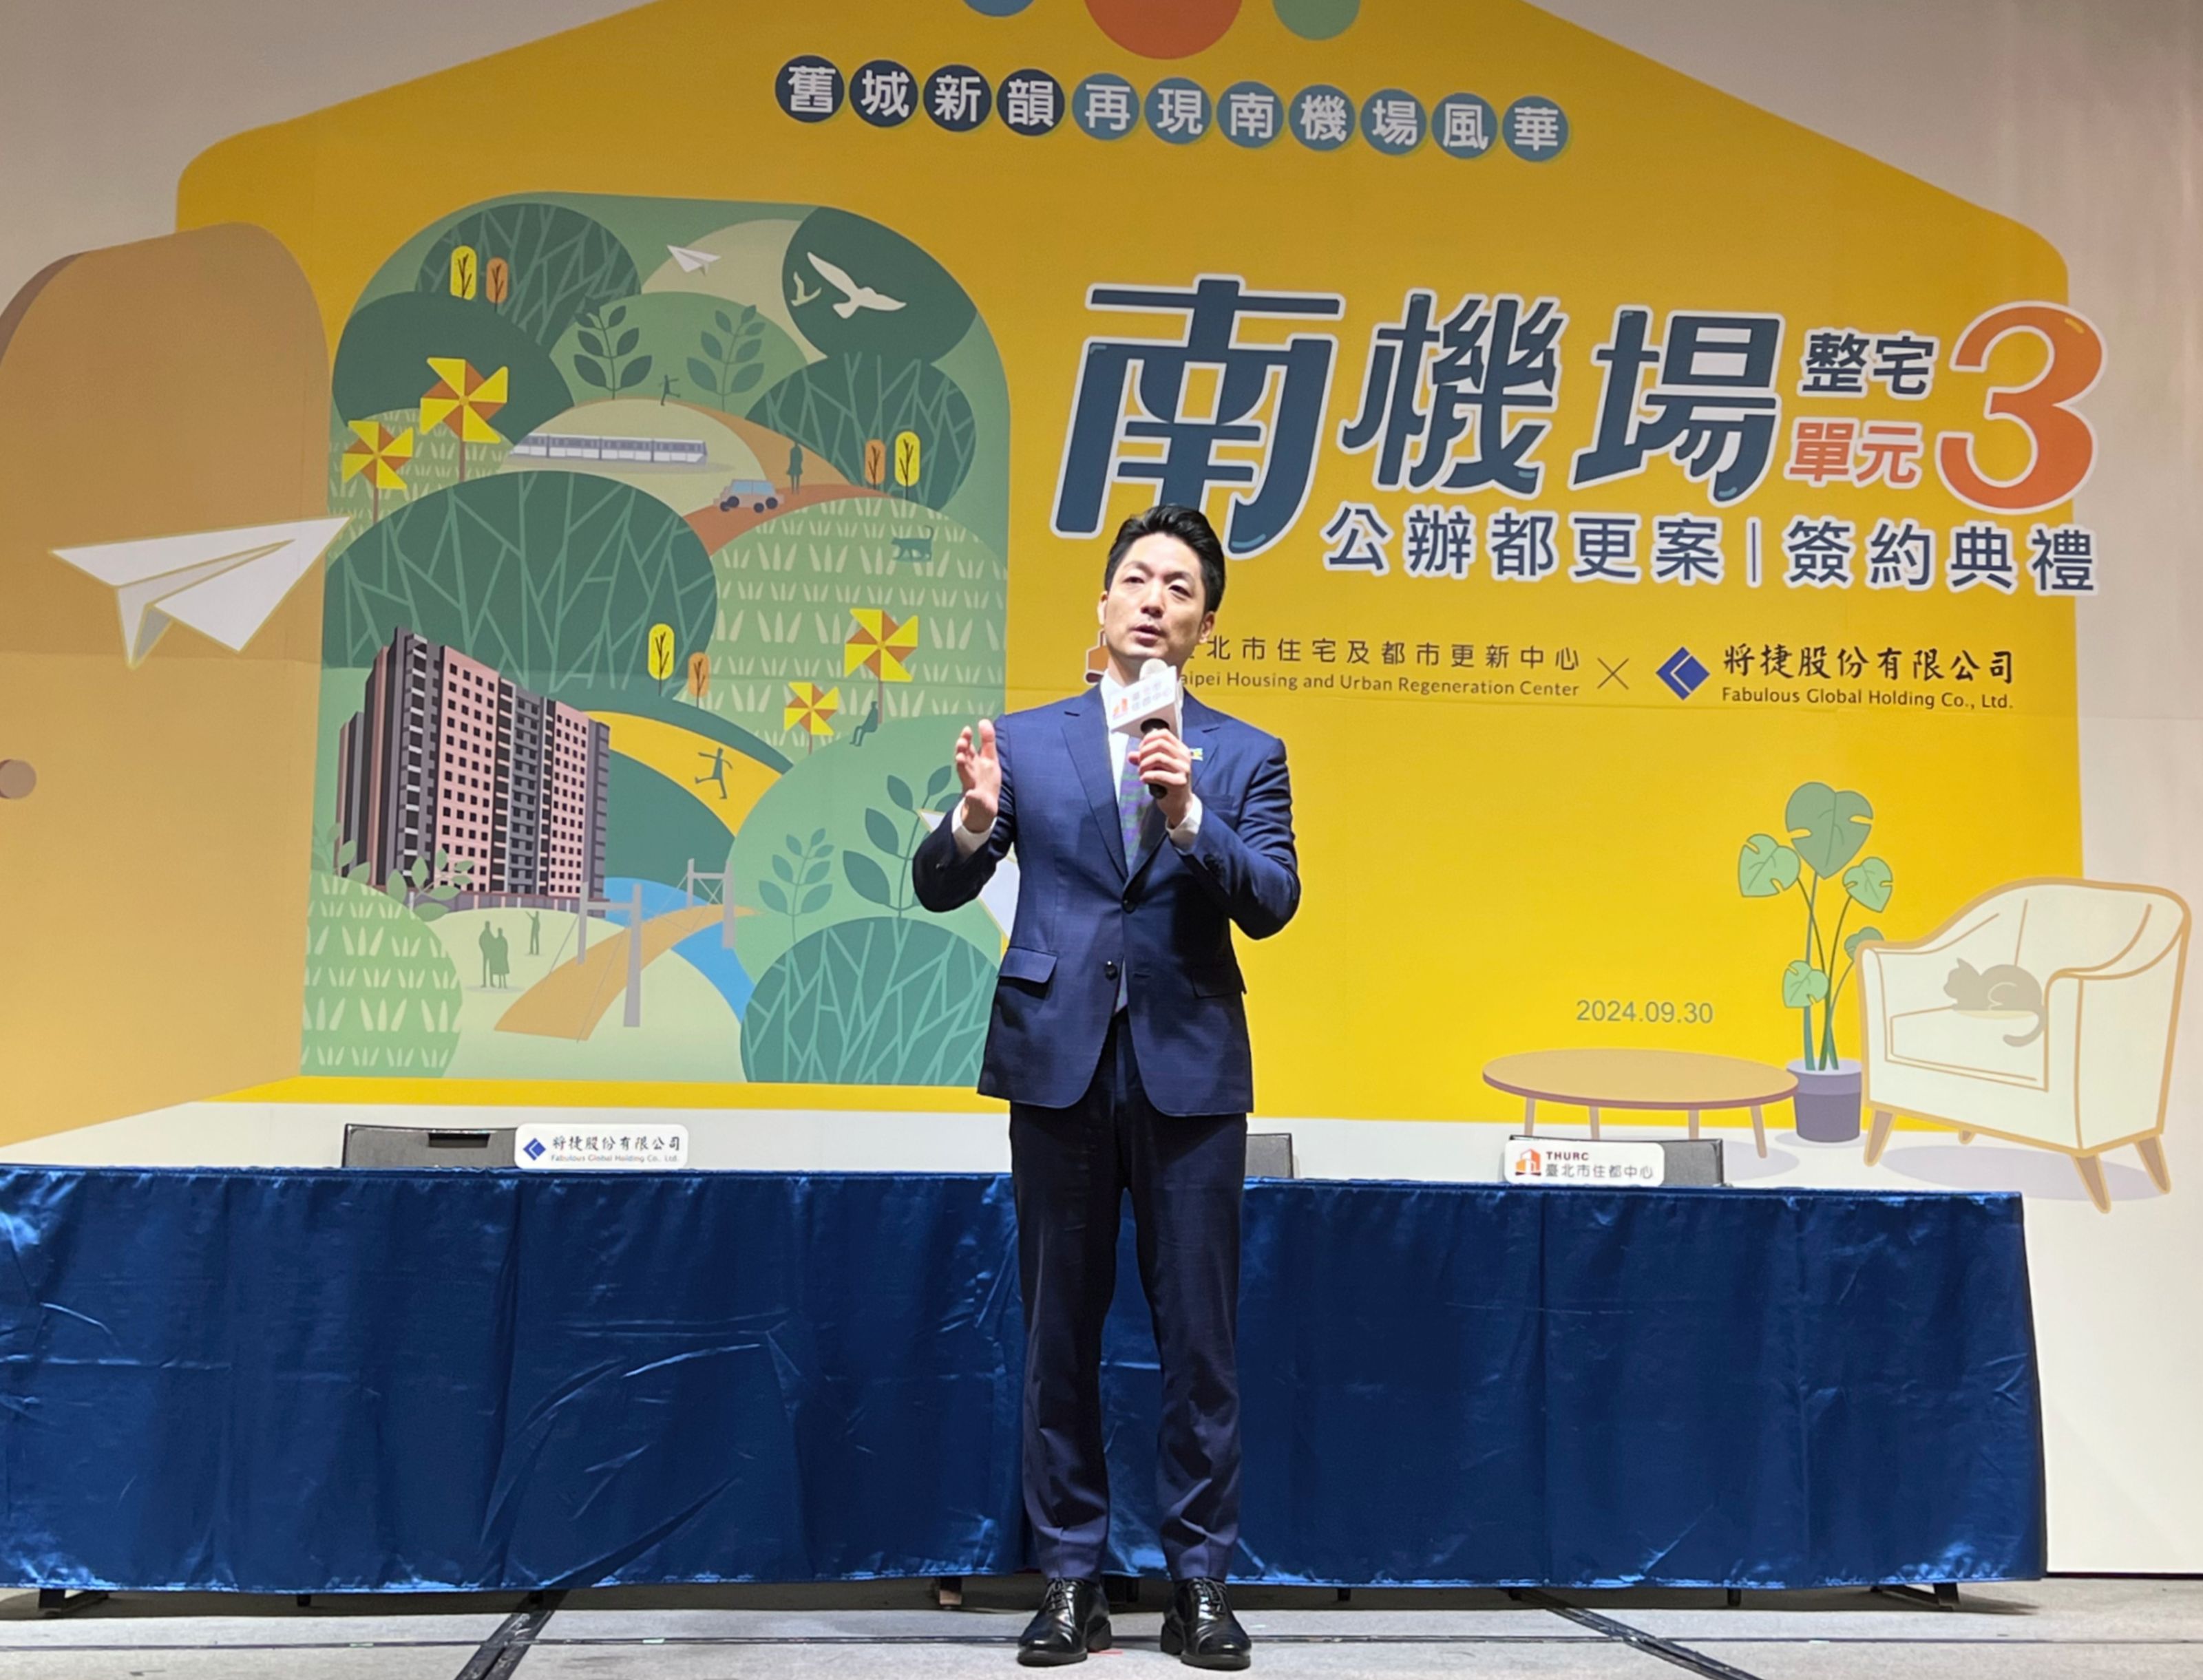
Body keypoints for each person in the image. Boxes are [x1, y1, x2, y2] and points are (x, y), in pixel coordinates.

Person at [913, 503, 1298, 1670]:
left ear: (1205, 626)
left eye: (1180, 588)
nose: (1154, 599)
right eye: (1138, 578)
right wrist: (972, 820)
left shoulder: (1246, 753)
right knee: (1057, 1333)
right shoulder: (1027, 743)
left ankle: (1199, 1583)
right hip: (1058, 1057)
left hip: (1191, 1065)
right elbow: (938, 883)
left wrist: (1190, 816)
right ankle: (1071, 1577)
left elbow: (1273, 901)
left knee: (1201, 1342)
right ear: (1103, 601)